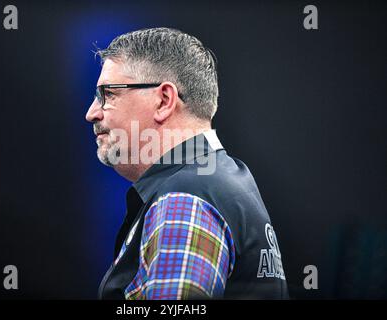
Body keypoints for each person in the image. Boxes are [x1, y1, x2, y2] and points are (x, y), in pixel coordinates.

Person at [86, 27, 289, 299]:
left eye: (108, 94)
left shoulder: (183, 199)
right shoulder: (223, 179)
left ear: (164, 100)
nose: (92, 113)